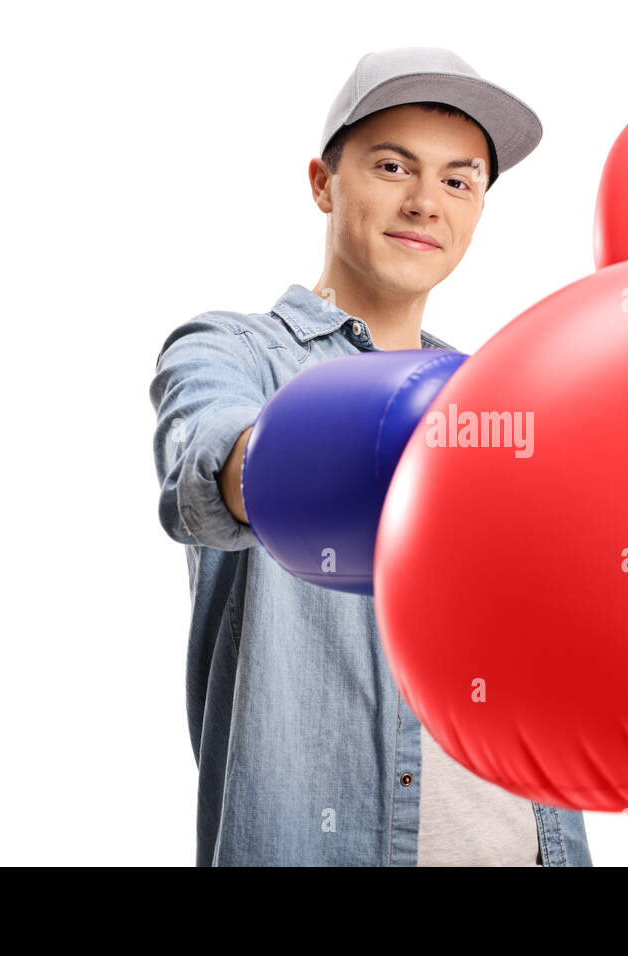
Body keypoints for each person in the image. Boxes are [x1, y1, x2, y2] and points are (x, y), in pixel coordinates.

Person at [148, 46, 593, 866]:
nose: (427, 202)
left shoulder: (495, 394)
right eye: (393, 166)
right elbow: (209, 473)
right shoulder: (234, 351)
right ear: (324, 182)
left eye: (460, 181)